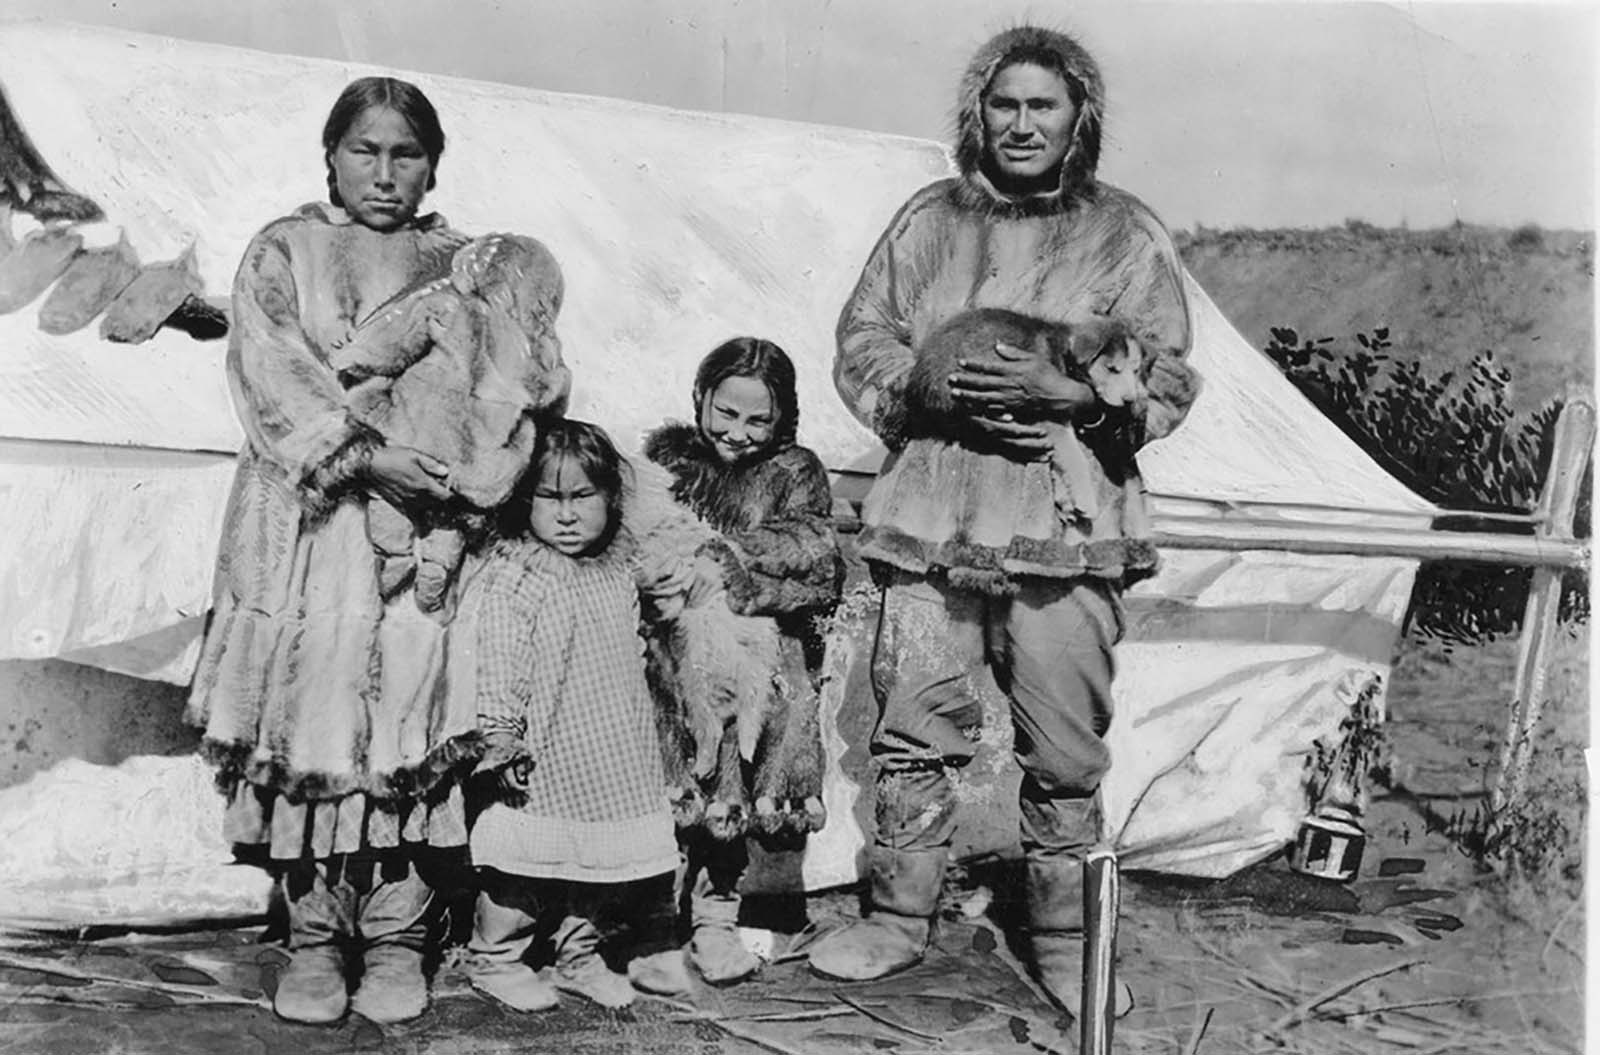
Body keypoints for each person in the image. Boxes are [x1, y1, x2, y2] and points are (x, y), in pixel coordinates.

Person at [805, 26, 1200, 1016]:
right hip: (933, 512)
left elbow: (1167, 374)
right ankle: (899, 916)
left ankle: (1065, 939)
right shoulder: (927, 221)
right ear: (977, 114)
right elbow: (863, 337)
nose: (1022, 124)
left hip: (1067, 523)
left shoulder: (1125, 233)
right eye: (1004, 104)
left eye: (1043, 106)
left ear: (1079, 119)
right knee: (912, 723)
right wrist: (936, 389)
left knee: (1064, 745)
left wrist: (1072, 396)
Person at [186, 76, 563, 1025]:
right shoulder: (286, 249)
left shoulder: (468, 264)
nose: (385, 173)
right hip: (311, 535)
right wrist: (364, 454)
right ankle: (316, 939)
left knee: (414, 730)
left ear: (433, 164)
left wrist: (471, 470)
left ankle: (398, 937)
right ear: (332, 156)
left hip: (430, 537)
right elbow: (271, 371)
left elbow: (518, 380)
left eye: (406, 154)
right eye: (366, 151)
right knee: (315, 729)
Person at [627, 337, 844, 990]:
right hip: (670, 652)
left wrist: (730, 562)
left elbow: (815, 557)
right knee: (670, 779)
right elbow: (639, 533)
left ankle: (717, 920)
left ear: (783, 418)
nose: (738, 433)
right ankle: (653, 925)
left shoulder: (795, 471)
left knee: (735, 783)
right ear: (701, 397)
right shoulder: (668, 460)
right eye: (725, 413)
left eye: (758, 420)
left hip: (757, 649)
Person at [454, 419, 679, 1012]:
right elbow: (500, 661)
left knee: (601, 864)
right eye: (549, 498)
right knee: (523, 866)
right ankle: (496, 957)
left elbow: (633, 650)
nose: (567, 515)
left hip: (609, 747)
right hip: (543, 747)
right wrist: (501, 737)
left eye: (583, 496)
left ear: (611, 497)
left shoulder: (617, 571)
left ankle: (578, 955)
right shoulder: (517, 573)